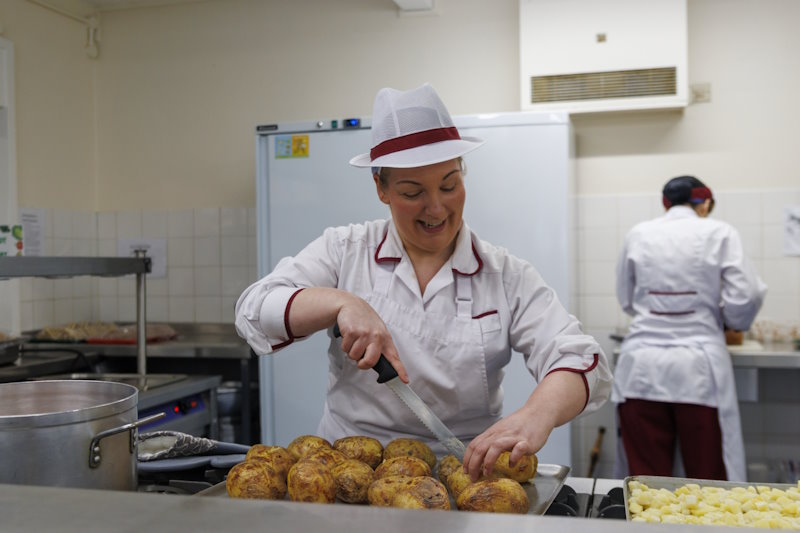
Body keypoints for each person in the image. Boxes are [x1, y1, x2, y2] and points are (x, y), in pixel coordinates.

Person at [235, 83, 612, 480]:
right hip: (352, 480)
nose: (436, 208)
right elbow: (254, 311)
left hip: (465, 477)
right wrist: (341, 303)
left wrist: (537, 414)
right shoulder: (346, 250)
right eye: (413, 192)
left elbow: (581, 360)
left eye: (449, 185)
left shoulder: (505, 275)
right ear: (381, 188)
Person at [613, 176, 767, 481]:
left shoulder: (638, 233)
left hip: (640, 366)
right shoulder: (720, 232)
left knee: (646, 481)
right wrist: (732, 320)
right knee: (708, 480)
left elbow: (627, 300)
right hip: (699, 371)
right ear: (705, 202)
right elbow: (746, 295)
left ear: (665, 202)